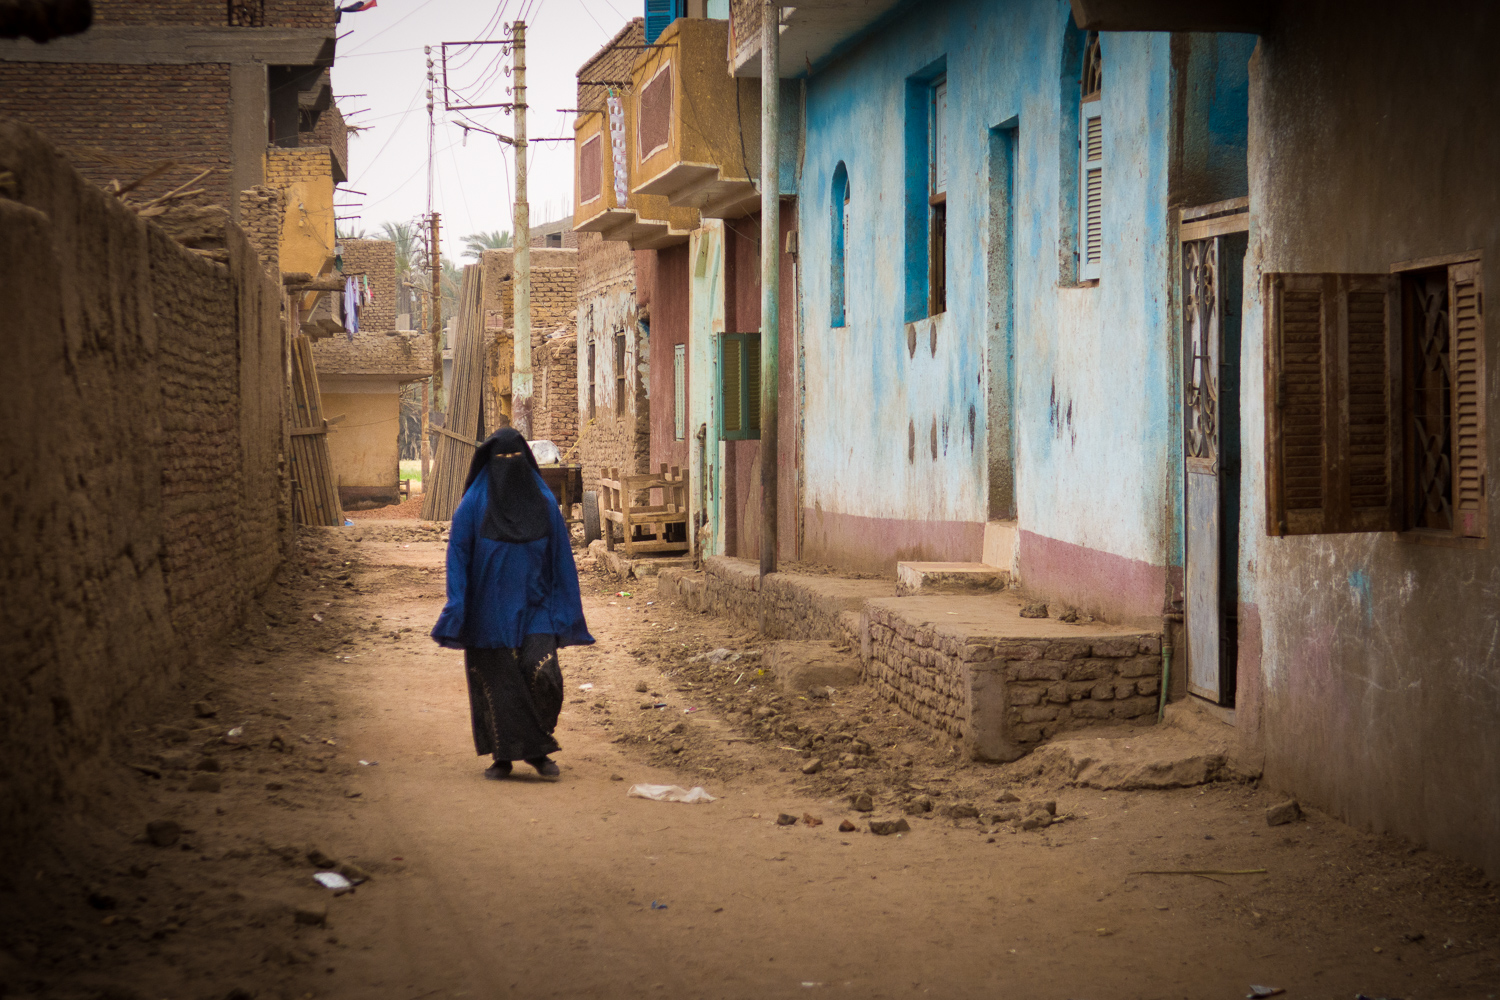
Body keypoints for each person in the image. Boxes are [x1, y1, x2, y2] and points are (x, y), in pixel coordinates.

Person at [431, 429, 593, 779]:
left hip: (536, 608)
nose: (508, 467)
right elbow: (458, 556)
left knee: (544, 675)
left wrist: (563, 607)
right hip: (487, 612)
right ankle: (509, 757)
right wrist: (458, 604)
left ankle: (536, 743)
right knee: (499, 685)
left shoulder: (545, 502)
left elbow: (561, 558)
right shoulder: (473, 504)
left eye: (514, 459)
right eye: (501, 460)